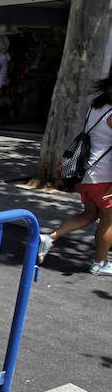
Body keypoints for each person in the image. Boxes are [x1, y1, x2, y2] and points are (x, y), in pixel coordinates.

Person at [37, 76, 112, 276]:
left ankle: (50, 237)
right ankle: (100, 263)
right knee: (108, 220)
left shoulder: (95, 108)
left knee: (90, 215)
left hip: (86, 173)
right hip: (104, 176)